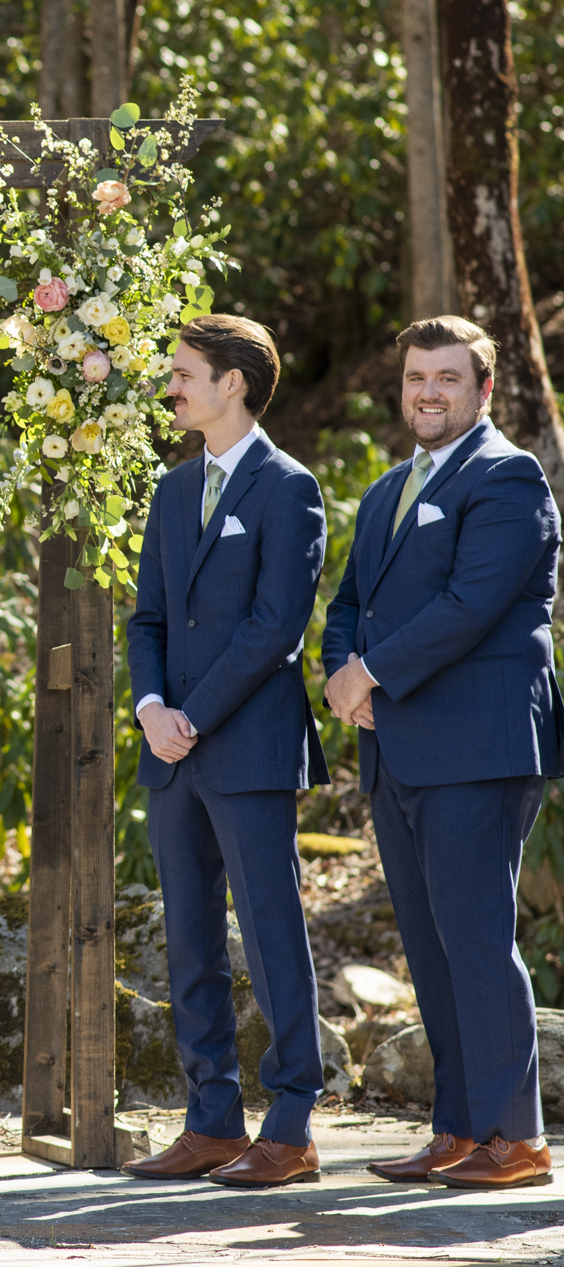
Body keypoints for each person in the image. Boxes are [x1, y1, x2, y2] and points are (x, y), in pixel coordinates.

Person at [323, 317, 557, 1190]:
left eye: (448, 379)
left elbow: (470, 604)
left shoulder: (508, 477)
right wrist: (344, 673)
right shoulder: (387, 489)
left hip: (478, 744)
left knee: (477, 938)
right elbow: (349, 601)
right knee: (430, 946)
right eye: (418, 376)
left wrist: (371, 675)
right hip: (400, 747)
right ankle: (459, 1128)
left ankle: (518, 1136)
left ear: (484, 389)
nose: (429, 391)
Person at [120, 316, 329, 1188]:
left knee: (272, 929)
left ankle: (291, 1124)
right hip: (173, 748)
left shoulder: (290, 488)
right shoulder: (173, 492)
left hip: (247, 746)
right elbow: (149, 619)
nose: (171, 386)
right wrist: (149, 705)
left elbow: (275, 628)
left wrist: (191, 714)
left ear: (233, 382)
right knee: (191, 935)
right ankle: (211, 1117)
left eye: (184, 373)